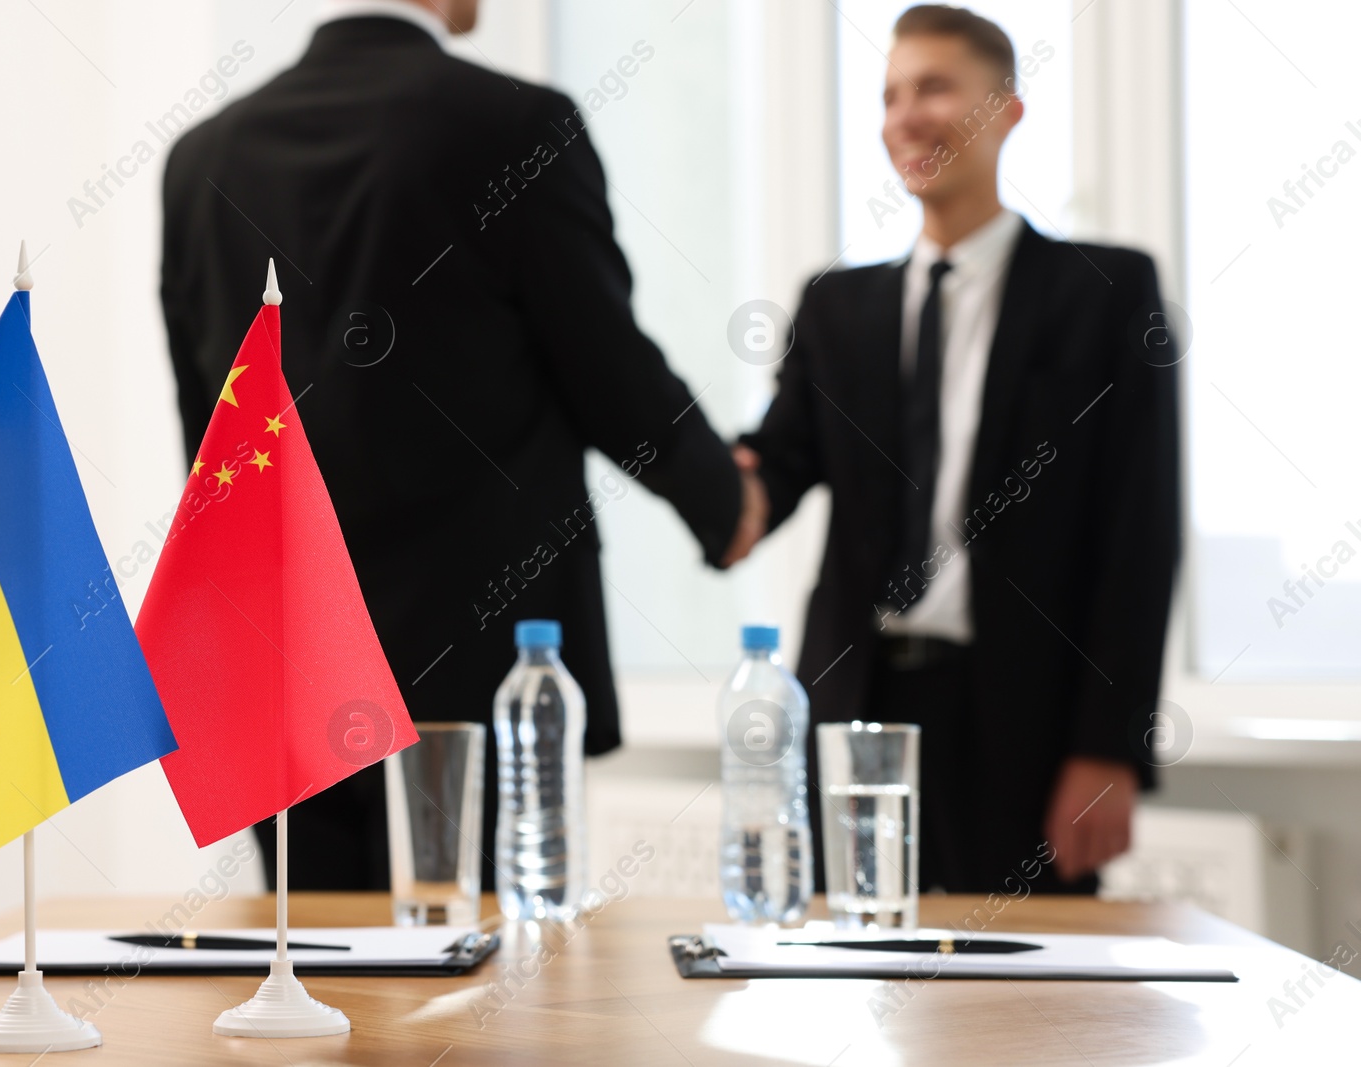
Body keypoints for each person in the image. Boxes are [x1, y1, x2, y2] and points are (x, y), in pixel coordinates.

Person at [159, 0, 767, 891]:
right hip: (478, 664)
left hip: (279, 655)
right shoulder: (517, 125)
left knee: (315, 978)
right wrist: (723, 503)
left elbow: (204, 420)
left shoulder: (201, 158)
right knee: (479, 994)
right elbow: (603, 361)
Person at [738, 4, 1180, 894]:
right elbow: (772, 469)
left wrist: (1108, 747)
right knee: (855, 1007)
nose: (907, 115)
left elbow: (1140, 531)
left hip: (1028, 720)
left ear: (1005, 110)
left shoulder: (1106, 292)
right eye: (891, 94)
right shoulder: (833, 306)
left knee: (1025, 1017)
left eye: (935, 87)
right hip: (856, 709)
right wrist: (666, 449)